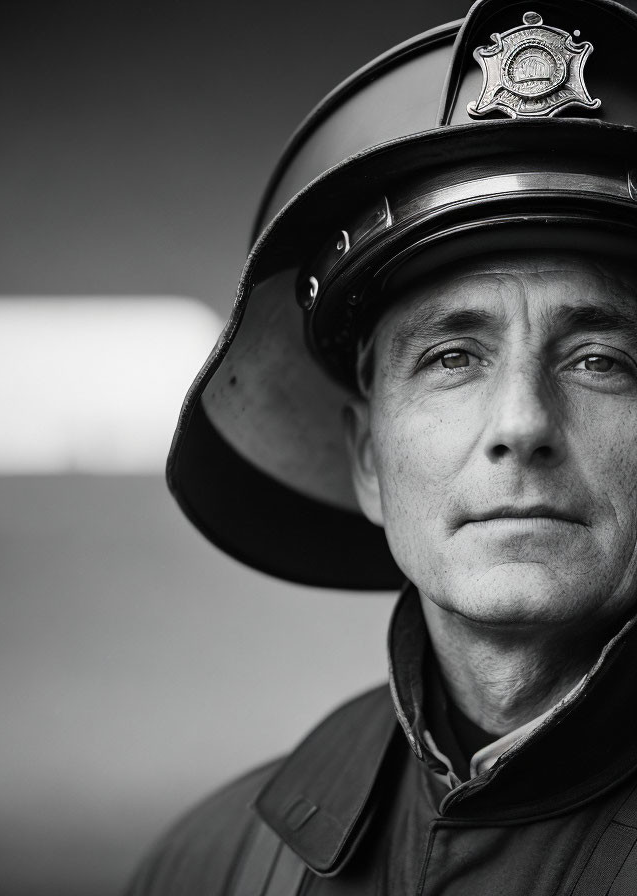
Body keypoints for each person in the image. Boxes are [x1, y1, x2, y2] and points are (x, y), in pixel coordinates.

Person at [127, 0, 637, 892]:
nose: (520, 424)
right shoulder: (218, 867)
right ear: (368, 457)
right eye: (452, 358)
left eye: (600, 358)